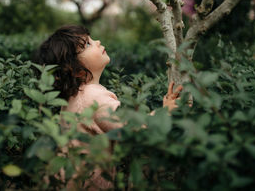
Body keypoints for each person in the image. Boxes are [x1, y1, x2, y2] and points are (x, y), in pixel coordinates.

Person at [34, 25, 182, 189]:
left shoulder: (75, 96)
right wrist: (166, 111)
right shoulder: (94, 98)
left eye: (91, 39)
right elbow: (136, 130)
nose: (97, 42)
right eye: (87, 45)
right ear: (75, 70)